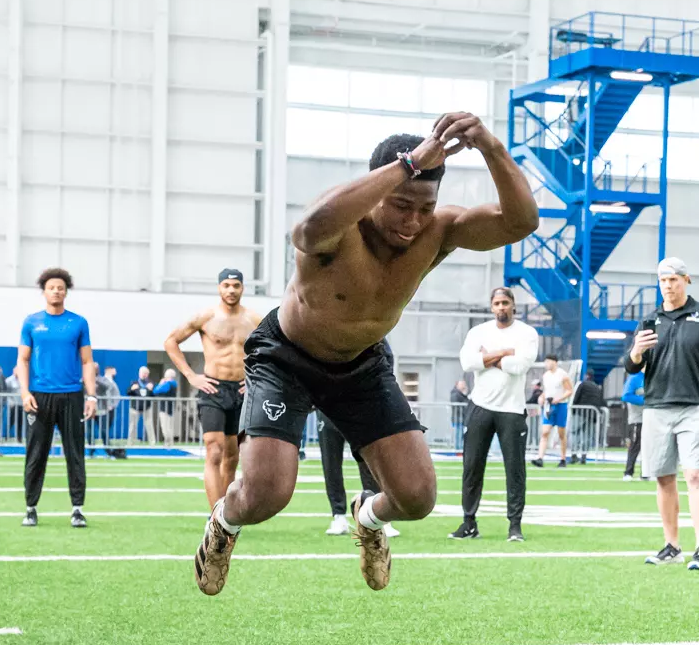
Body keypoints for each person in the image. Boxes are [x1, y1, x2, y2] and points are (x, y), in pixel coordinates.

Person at [195, 115, 538, 594]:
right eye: (401, 205)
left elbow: (521, 222)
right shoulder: (339, 229)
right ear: (379, 189)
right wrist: (409, 163)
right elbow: (307, 229)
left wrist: (492, 148)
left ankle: (368, 518)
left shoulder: (436, 231)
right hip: (286, 359)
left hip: (361, 365)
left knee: (417, 497)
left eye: (424, 207)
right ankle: (224, 524)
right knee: (267, 494)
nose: (411, 221)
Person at [626, 257, 699, 571]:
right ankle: (672, 545)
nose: (668, 286)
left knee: (695, 476)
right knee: (663, 478)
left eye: (673, 280)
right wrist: (636, 351)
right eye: (663, 281)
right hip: (656, 408)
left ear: (686, 280)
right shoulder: (649, 321)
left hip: (695, 408)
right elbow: (632, 367)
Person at [163, 268, 262, 507]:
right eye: (226, 285)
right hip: (212, 390)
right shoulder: (206, 317)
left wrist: (255, 382)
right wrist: (190, 376)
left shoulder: (255, 320)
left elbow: (275, 352)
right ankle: (215, 515)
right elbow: (171, 342)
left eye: (235, 286)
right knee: (214, 450)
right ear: (219, 288)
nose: (231, 290)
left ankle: (226, 512)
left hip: (241, 391)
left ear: (242, 288)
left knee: (231, 457)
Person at [452, 286, 537, 542]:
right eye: (497, 303)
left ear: (513, 305)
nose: (501, 307)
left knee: (515, 470)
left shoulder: (527, 333)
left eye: (505, 303)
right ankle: (469, 523)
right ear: (492, 307)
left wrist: (486, 357)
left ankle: (515, 526)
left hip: (511, 409)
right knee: (472, 466)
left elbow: (520, 365)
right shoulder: (479, 331)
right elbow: (468, 363)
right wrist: (503, 353)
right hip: (480, 405)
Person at [20, 267, 97, 527]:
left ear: (66, 292)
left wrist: (92, 396)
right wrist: (25, 392)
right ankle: (30, 507)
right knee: (36, 454)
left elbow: (87, 361)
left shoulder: (78, 323)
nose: (56, 291)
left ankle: (77, 509)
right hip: (39, 397)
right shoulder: (31, 322)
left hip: (72, 396)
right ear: (44, 291)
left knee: (75, 454)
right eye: (52, 287)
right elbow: (23, 359)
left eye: (61, 288)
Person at [317, 413, 395, 537]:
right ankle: (339, 516)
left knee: (369, 464)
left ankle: (379, 517)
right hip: (327, 409)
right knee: (331, 464)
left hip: (358, 408)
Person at [531, 355, 572, 468]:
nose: (546, 364)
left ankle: (563, 459)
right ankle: (540, 458)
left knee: (561, 433)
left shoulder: (562, 375)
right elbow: (547, 390)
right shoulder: (546, 376)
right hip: (549, 406)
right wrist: (542, 397)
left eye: (548, 362)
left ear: (555, 362)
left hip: (560, 406)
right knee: (545, 431)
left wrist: (559, 399)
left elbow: (569, 390)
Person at [622, 368, 646, 479]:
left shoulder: (654, 375)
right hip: (637, 418)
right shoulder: (634, 378)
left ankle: (646, 473)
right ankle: (628, 472)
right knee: (635, 445)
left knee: (650, 447)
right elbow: (626, 396)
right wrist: (645, 400)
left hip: (652, 418)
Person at [92, 366, 122, 457]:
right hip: (95, 408)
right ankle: (91, 451)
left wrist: (111, 405)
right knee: (91, 430)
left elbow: (111, 393)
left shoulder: (105, 381)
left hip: (104, 409)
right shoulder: (103, 380)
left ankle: (108, 450)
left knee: (105, 430)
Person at [127, 365, 155, 443]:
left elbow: (153, 395)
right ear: (139, 373)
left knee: (149, 425)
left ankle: (152, 442)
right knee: (132, 425)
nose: (144, 374)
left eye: (145, 373)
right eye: (142, 373)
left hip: (147, 407)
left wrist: (151, 390)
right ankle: (130, 442)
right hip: (134, 407)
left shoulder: (150, 383)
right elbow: (128, 392)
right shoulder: (134, 382)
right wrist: (131, 389)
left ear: (148, 374)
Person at [153, 368, 179, 444]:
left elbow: (155, 391)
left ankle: (168, 443)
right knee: (169, 426)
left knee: (165, 426)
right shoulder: (174, 384)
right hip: (171, 407)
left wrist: (160, 384)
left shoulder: (167, 384)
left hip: (164, 407)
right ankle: (170, 442)